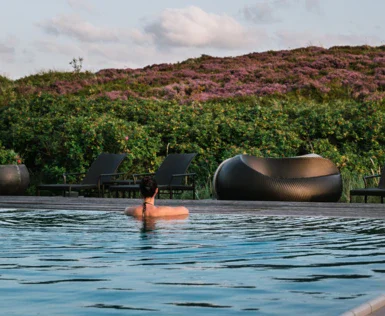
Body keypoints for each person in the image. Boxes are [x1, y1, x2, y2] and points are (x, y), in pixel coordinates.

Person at [124, 176, 189, 218]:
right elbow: (185, 210)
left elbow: (126, 210)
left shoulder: (135, 211)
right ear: (156, 190)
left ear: (141, 191)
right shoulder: (161, 211)